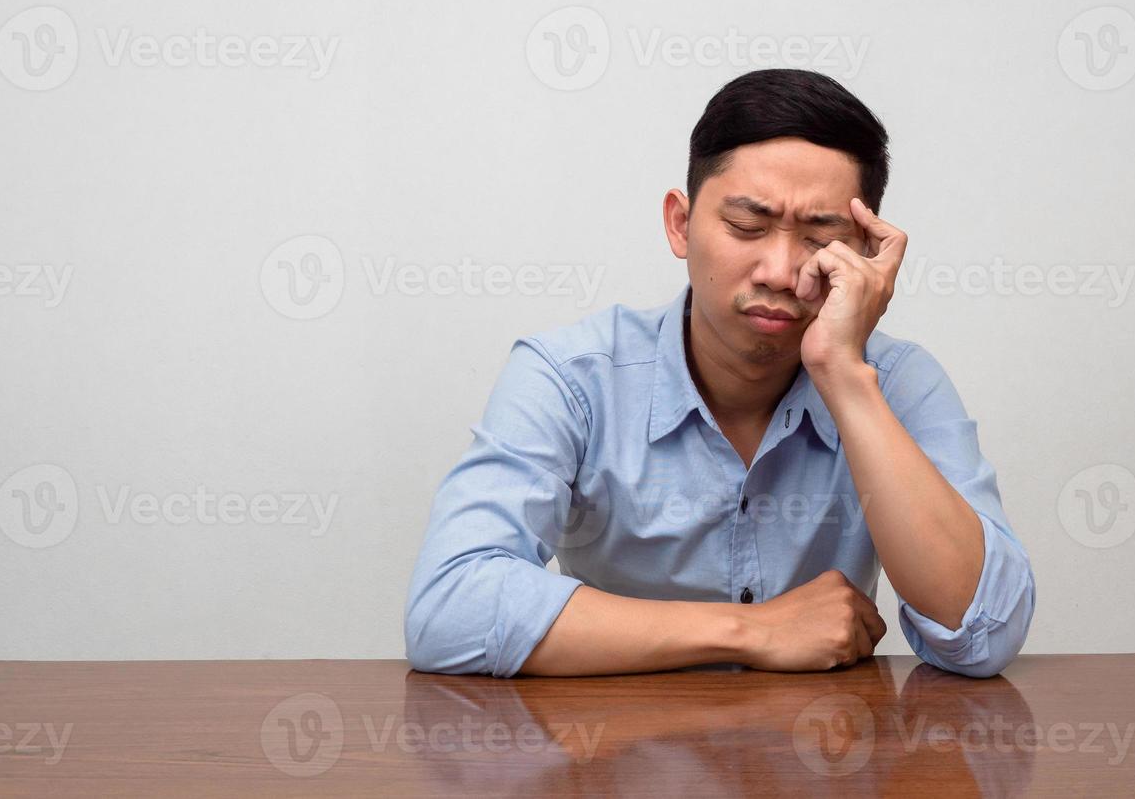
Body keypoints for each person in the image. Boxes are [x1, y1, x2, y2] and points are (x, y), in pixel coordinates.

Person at [403, 69, 1035, 678]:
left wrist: (842, 372)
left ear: (866, 253)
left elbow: (983, 636)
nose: (781, 271)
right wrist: (755, 631)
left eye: (820, 238)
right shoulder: (571, 378)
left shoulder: (896, 382)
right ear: (681, 224)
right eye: (745, 227)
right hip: (620, 761)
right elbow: (450, 607)